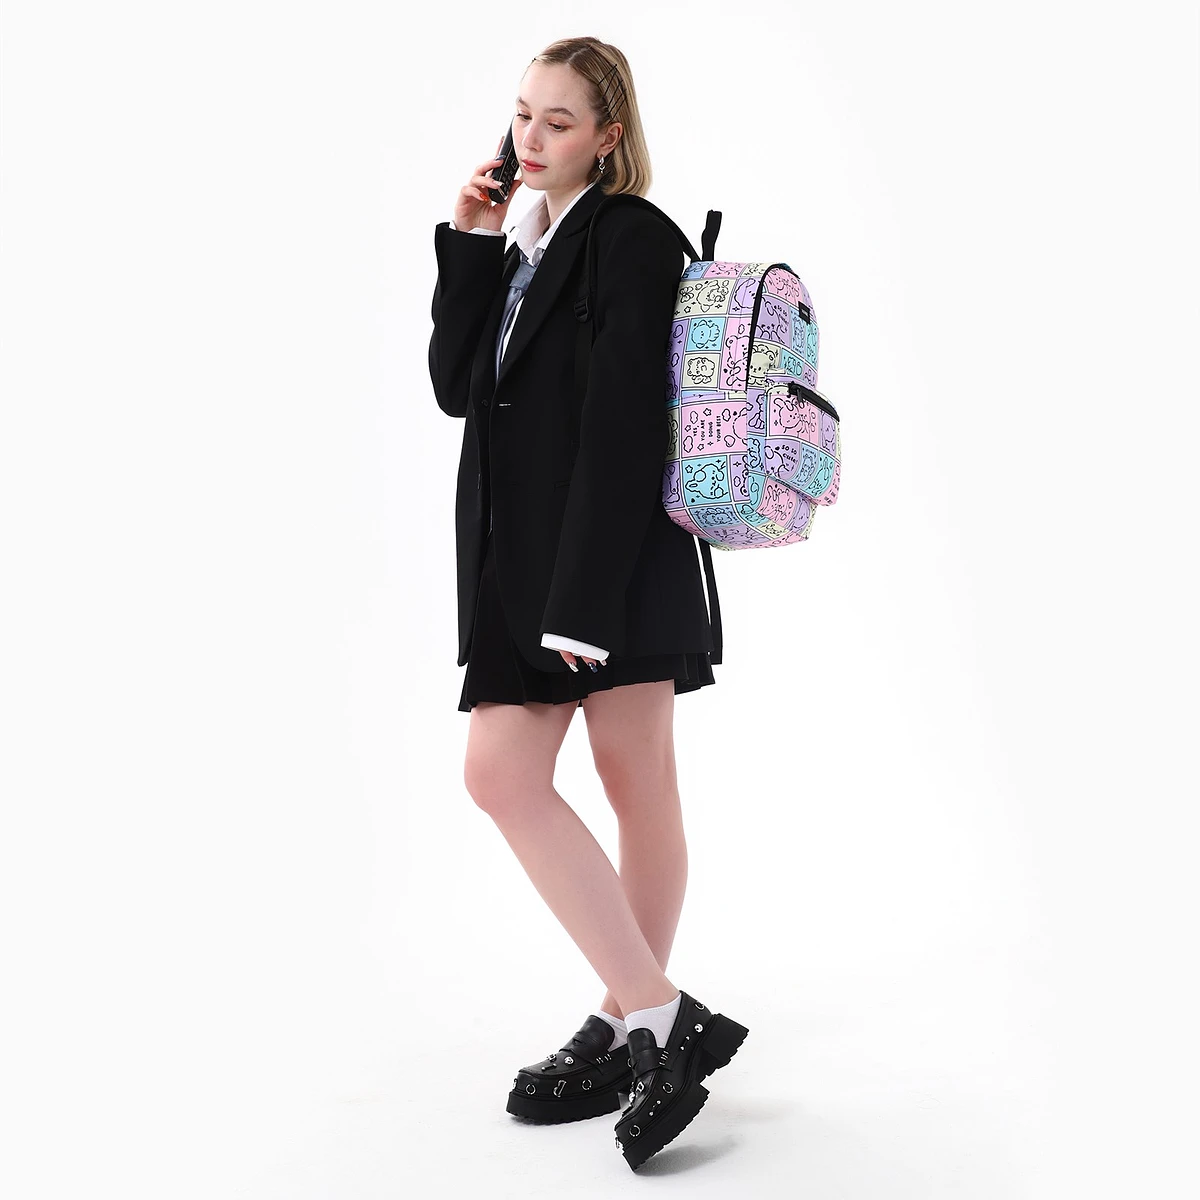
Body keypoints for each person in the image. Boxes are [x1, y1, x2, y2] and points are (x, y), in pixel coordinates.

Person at [426, 36, 747, 1170]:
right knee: (502, 775)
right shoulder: (522, 243)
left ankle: (629, 1022)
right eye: (522, 114)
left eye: (558, 121)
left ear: (609, 136)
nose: (530, 137)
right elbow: (455, 390)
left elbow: (621, 429)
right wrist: (472, 244)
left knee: (631, 778)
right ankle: (656, 1015)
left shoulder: (632, 237)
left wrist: (583, 605)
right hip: (521, 567)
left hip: (608, 568)